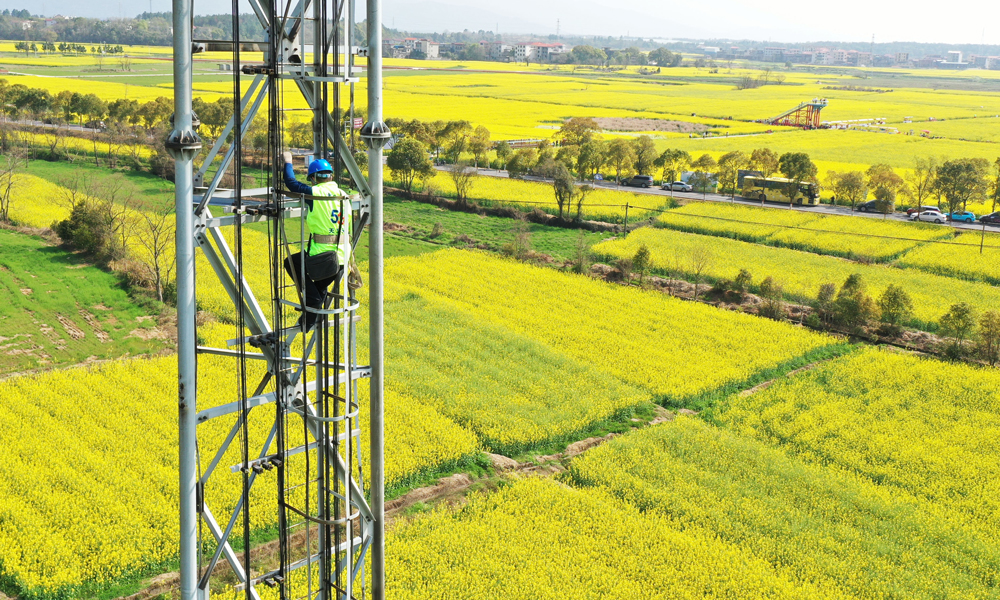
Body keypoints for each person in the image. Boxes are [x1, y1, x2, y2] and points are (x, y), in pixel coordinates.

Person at [282, 151, 352, 330]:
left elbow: (291, 183)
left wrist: (288, 161)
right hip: (343, 259)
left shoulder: (315, 193)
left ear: (313, 178)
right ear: (331, 177)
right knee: (320, 287)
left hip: (322, 257)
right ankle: (310, 319)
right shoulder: (343, 195)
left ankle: (312, 303)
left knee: (291, 263)